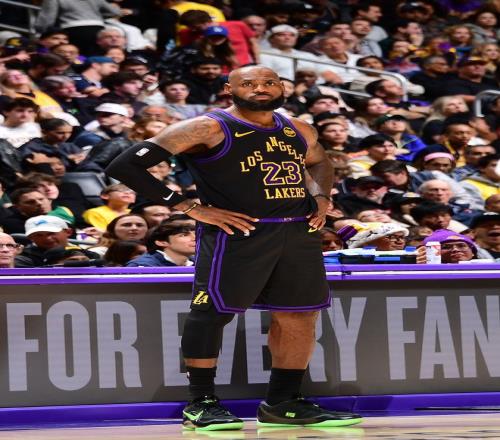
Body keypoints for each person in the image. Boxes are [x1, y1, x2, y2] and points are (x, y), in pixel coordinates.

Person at [106, 65, 361, 430]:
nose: (260, 88)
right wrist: (190, 207)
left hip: (298, 232)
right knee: (212, 314)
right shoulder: (207, 127)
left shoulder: (299, 128)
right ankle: (201, 403)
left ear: (282, 88)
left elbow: (320, 161)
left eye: (269, 82)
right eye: (249, 83)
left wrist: (321, 196)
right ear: (230, 89)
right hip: (238, 232)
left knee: (299, 315)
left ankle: (283, 403)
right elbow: (125, 165)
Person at [126, 223, 195, 266]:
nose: (195, 238)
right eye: (184, 235)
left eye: (196, 234)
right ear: (162, 242)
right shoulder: (143, 266)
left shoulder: (198, 262)